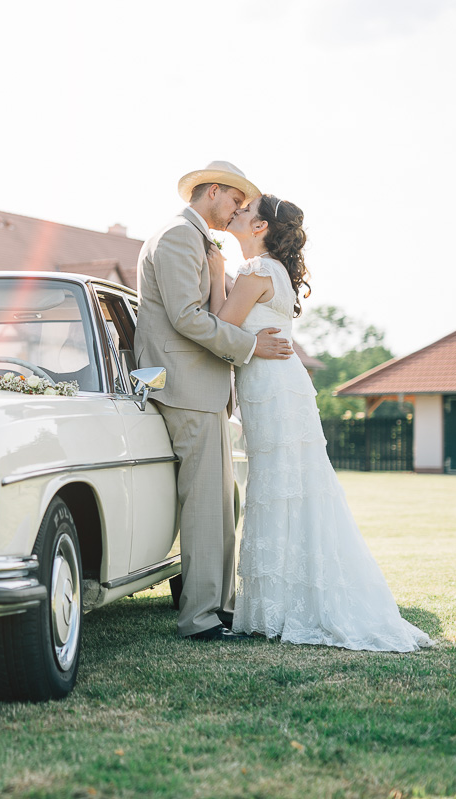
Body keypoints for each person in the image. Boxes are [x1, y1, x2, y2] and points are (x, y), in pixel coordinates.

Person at [210, 194, 431, 651]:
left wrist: (215, 275)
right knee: (295, 485)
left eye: (247, 210)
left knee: (278, 485)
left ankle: (282, 607)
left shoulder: (255, 271)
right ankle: (289, 601)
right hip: (282, 385)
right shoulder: (273, 271)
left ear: (260, 227)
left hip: (271, 387)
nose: (239, 211)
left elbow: (218, 329)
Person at [135, 161, 293, 642]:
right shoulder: (178, 236)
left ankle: (218, 607)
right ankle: (200, 617)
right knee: (205, 505)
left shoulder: (196, 240)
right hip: (185, 385)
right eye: (234, 201)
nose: (236, 211)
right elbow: (186, 316)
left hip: (201, 386)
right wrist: (250, 346)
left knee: (221, 504)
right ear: (214, 192)